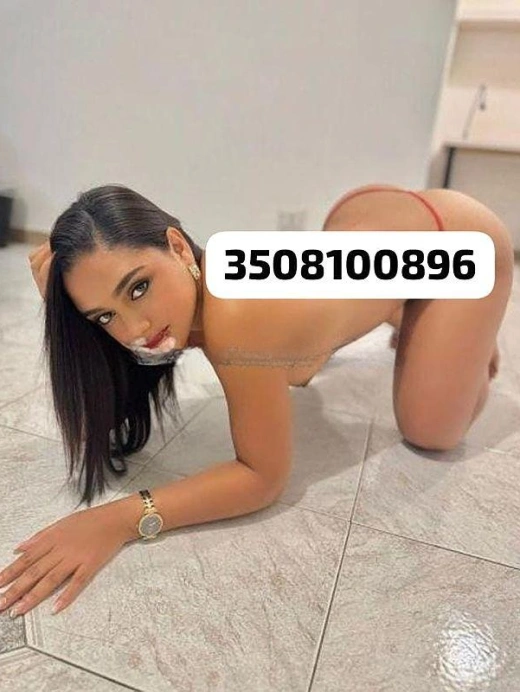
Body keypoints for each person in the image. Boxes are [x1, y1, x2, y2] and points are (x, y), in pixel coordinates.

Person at [1, 182, 511, 619]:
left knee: (431, 431)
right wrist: (67, 313)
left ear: (178, 248)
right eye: (104, 317)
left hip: (456, 237)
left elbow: (262, 477)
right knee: (299, 353)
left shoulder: (237, 312)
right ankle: (419, 315)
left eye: (138, 289)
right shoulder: (190, 305)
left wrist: (114, 521)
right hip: (366, 215)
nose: (134, 329)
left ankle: (459, 320)